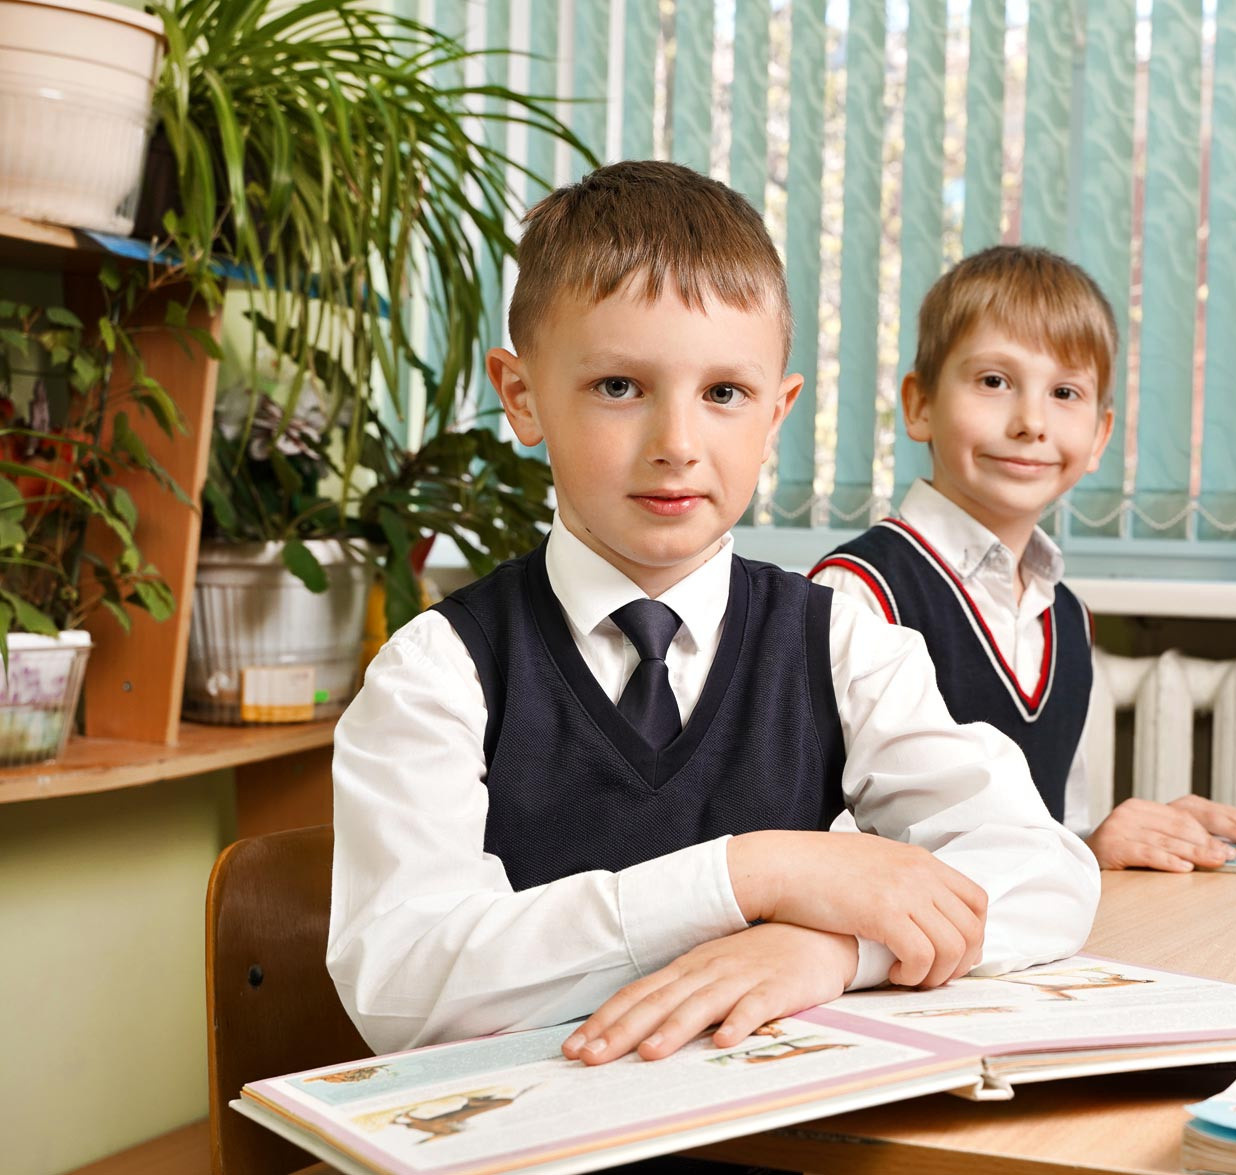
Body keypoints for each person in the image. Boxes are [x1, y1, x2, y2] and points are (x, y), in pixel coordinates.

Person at [327, 165, 1099, 1073]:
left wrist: (832, 952)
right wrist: (753, 875)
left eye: (724, 393)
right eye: (619, 385)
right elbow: (401, 985)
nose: (677, 443)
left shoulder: (843, 645)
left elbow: (1043, 872)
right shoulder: (437, 670)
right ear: (523, 394)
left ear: (777, 414)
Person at [812, 246, 1236, 873]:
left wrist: (1130, 840)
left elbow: (1053, 824)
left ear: (1099, 437)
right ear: (920, 404)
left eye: (1065, 392)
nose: (1031, 421)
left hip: (1023, 951)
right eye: (993, 382)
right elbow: (822, 847)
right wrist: (1083, 852)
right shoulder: (858, 595)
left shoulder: (1068, 619)